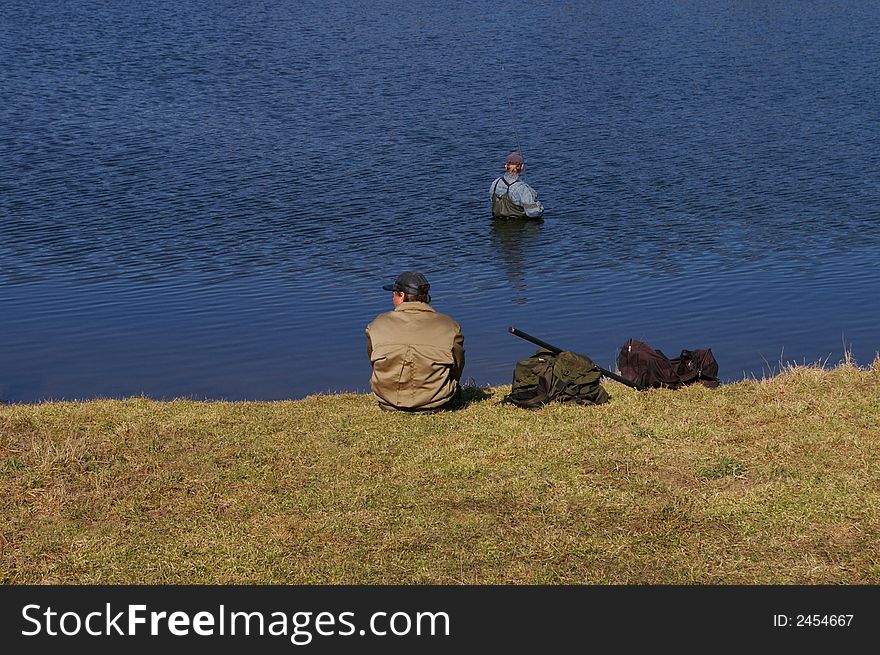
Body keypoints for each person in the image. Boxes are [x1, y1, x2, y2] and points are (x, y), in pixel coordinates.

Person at [365, 271, 465, 412]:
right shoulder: (449, 325)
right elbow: (457, 367)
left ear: (402, 295)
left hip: (388, 402)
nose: (392, 298)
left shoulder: (377, 324)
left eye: (393, 294)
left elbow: (373, 361)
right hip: (437, 401)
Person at [490, 151, 544, 219]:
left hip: (496, 227)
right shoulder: (522, 188)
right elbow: (533, 213)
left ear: (506, 166)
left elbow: (493, 202)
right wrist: (539, 207)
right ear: (522, 167)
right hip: (518, 227)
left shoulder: (495, 183)